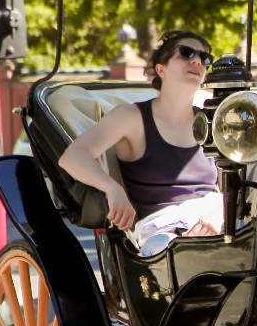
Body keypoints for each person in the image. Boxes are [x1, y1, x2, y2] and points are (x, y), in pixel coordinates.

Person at [59, 29, 225, 257]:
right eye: (186, 53)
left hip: (216, 221)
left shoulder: (212, 122)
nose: (197, 60)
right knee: (168, 251)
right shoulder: (131, 117)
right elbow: (72, 157)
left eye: (205, 58)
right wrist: (112, 189)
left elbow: (231, 190)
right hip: (164, 232)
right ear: (161, 69)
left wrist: (218, 216)